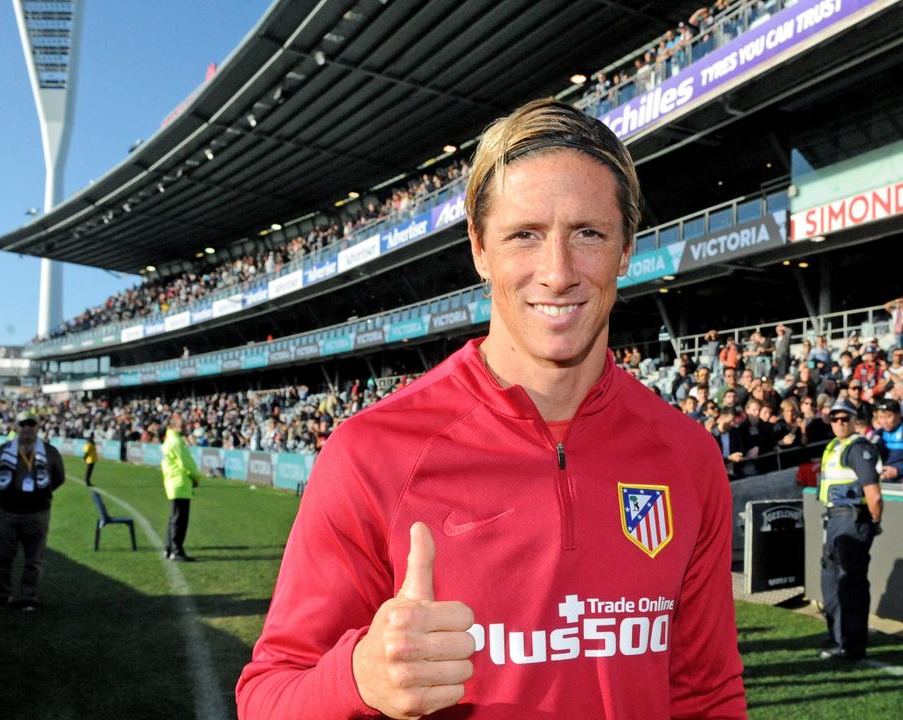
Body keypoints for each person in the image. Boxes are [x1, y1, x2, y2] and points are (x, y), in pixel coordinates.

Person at [237, 99, 746, 718]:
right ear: (480, 249)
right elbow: (266, 698)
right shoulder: (372, 453)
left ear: (626, 249)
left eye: (588, 233)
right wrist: (358, 678)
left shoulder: (687, 457)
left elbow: (707, 694)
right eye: (524, 235)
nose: (557, 273)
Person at [817, 399, 882, 661]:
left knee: (850, 585)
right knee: (831, 582)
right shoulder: (835, 446)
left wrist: (873, 522)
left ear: (855, 420)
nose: (840, 423)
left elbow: (873, 495)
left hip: (852, 519)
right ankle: (838, 637)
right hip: (835, 519)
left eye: (845, 419)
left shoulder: (858, 449)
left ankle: (852, 645)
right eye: (835, 419)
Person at [0, 411, 64, 611]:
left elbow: (59, 477)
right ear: (16, 427)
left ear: (38, 427)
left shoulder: (50, 452)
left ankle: (28, 596)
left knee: (34, 559)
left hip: (37, 513)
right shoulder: (3, 450)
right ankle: (3, 594)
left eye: (32, 424)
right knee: (2, 556)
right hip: (7, 511)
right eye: (23, 424)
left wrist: (39, 494)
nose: (27, 428)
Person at [161, 413, 203, 562]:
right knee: (179, 519)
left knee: (174, 518)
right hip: (179, 484)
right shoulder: (176, 442)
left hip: (175, 484)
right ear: (173, 426)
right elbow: (187, 464)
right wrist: (196, 477)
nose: (185, 427)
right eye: (182, 425)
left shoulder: (171, 440)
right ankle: (176, 551)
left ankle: (169, 549)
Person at [873, 398, 903, 482]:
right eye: (881, 417)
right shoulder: (877, 435)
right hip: (883, 481)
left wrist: (899, 471)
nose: (884, 421)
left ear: (899, 414)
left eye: (888, 416)